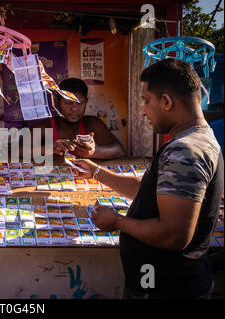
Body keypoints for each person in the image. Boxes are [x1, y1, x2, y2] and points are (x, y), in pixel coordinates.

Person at [74, 59, 224, 299]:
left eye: (146, 101)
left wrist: (118, 222)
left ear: (166, 101)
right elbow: (152, 193)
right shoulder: (196, 139)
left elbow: (173, 235)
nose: (142, 110)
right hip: (158, 280)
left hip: (166, 287)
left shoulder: (185, 150)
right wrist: (97, 172)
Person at [32, 78, 124, 159]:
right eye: (68, 102)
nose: (75, 108)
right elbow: (18, 150)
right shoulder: (46, 126)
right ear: (57, 103)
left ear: (86, 103)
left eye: (80, 103)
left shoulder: (92, 124)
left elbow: (119, 150)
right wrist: (48, 148)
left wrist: (95, 152)